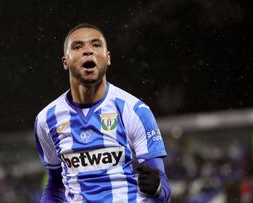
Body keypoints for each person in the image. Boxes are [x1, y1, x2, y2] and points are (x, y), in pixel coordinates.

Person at [34, 23, 171, 203]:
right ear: (65, 62)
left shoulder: (134, 110)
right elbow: (56, 185)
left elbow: (163, 192)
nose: (88, 50)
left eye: (96, 44)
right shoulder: (46, 119)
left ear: (108, 58)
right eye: (77, 46)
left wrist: (158, 189)